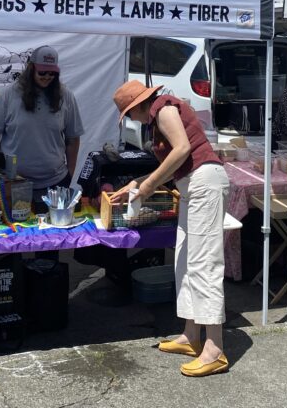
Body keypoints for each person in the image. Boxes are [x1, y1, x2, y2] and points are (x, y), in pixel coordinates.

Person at [111, 79, 230, 378]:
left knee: (204, 265)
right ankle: (192, 336)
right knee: (186, 261)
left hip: (204, 184)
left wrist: (148, 186)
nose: (131, 119)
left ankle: (215, 349)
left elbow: (182, 149)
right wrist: (137, 184)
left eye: (128, 113)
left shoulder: (163, 108)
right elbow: (174, 161)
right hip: (193, 187)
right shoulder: (157, 116)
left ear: (138, 104)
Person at [0, 46, 83, 201]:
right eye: (42, 72)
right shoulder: (7, 95)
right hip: (13, 183)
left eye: (52, 73)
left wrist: (70, 174)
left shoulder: (66, 97)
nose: (47, 76)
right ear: (31, 69)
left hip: (55, 183)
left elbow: (73, 139)